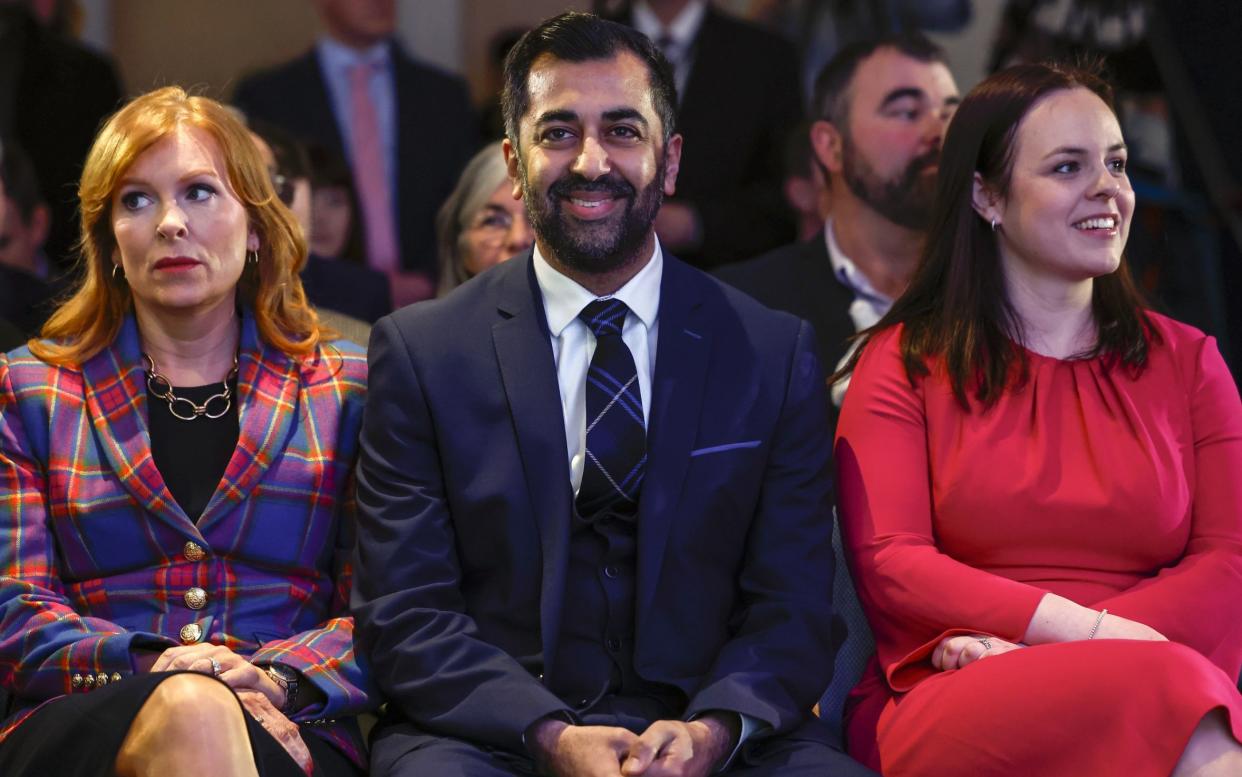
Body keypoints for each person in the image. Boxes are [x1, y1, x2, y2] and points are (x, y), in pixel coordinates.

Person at [352, 12, 874, 777]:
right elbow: (405, 614)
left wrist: (713, 732)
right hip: (492, 736)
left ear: (669, 161)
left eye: (623, 131)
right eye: (558, 132)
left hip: (712, 733)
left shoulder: (769, 350)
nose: (591, 161)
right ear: (515, 159)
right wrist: (547, 734)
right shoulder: (423, 350)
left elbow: (793, 608)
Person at [833, 62, 1242, 775]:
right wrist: (1083, 632)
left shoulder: (1191, 361)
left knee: (1179, 693)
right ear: (986, 196)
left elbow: (1231, 562)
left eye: (1115, 163)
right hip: (959, 683)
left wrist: (1082, 648)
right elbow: (892, 562)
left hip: (1154, 668)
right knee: (1187, 701)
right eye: (1066, 166)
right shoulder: (902, 361)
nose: (1108, 190)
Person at [0, 86, 377, 777]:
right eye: (136, 200)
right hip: (84, 717)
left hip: (288, 718)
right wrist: (155, 664)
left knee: (204, 712)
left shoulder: (351, 385)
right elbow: (13, 610)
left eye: (200, 192)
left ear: (258, 223)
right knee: (193, 708)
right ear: (110, 240)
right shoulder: (27, 390)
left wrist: (279, 678)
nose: (171, 222)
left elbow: (387, 611)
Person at [718, 33, 959, 412]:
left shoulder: (1002, 297)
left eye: (948, 114)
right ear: (831, 146)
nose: (938, 132)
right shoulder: (743, 309)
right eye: (907, 112)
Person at [233, 0, 478, 306]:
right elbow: (263, 213)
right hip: (311, 299)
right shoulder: (268, 96)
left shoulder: (444, 94)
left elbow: (465, 199)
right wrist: (369, 289)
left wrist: (431, 281)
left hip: (434, 298)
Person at [610, 0, 804, 268]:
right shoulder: (578, 47)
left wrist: (696, 224)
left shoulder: (767, 57)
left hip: (726, 279)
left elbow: (787, 196)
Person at [435, 140, 534, 297]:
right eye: (493, 221)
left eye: (537, 218)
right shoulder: (412, 322)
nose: (518, 238)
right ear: (460, 246)